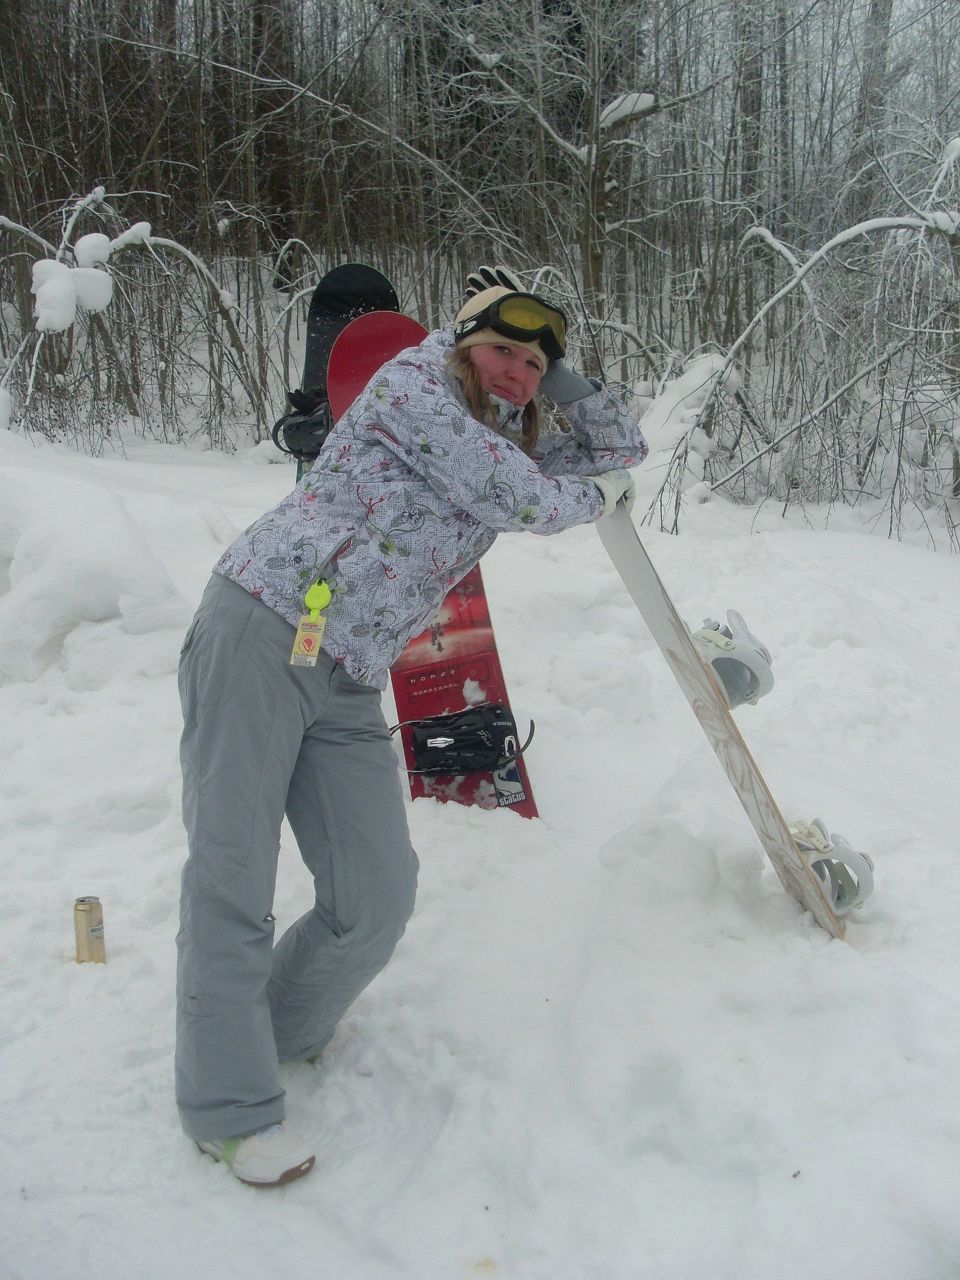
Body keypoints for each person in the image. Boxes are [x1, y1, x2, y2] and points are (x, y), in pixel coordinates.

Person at [175, 273, 648, 1186]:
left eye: (533, 362)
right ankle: (226, 1105)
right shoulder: (411, 385)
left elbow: (619, 447)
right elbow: (530, 500)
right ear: (462, 342)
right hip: (262, 623)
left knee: (377, 894)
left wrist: (566, 385)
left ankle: (265, 1030)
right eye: (502, 351)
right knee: (233, 871)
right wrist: (601, 495)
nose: (517, 372)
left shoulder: (510, 424)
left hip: (346, 670)